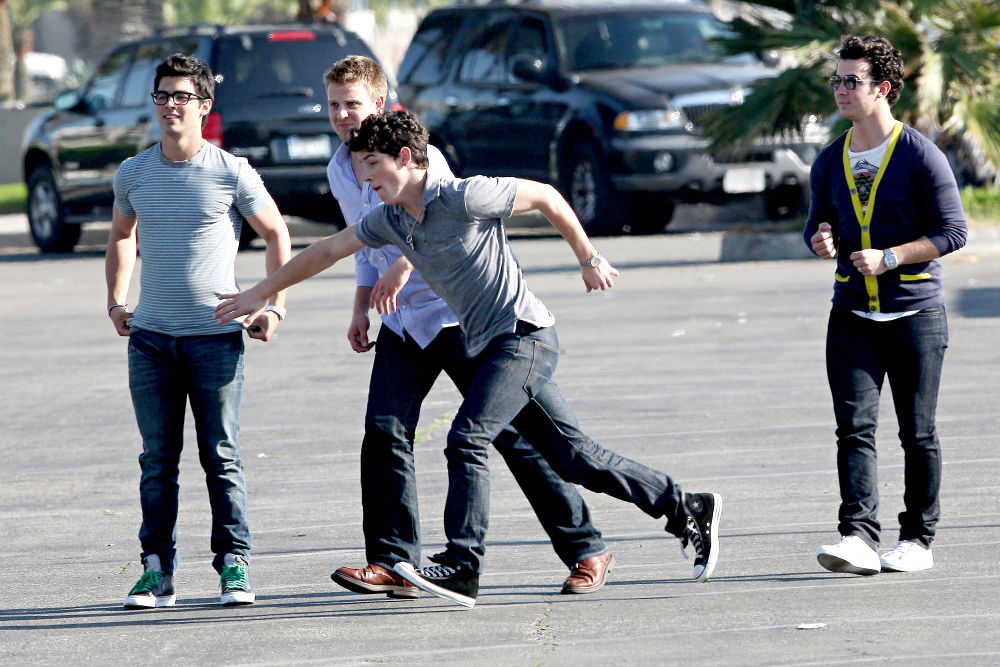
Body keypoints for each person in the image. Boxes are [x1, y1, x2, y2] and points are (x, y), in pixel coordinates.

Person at [215, 110, 722, 608]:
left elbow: (545, 195)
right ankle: (686, 507)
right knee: (574, 457)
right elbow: (326, 251)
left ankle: (463, 565)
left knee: (467, 439)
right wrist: (262, 290)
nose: (364, 179)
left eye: (372, 164)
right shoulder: (390, 219)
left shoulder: (465, 195)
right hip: (492, 347)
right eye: (360, 166)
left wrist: (588, 259)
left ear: (406, 158)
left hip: (523, 337)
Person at [322, 56, 614, 600]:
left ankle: (585, 547)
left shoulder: (422, 156)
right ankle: (393, 562)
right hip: (402, 324)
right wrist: (361, 306)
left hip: (456, 315)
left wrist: (400, 267)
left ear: (379, 105)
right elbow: (359, 244)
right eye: (334, 104)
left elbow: (439, 229)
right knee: (384, 432)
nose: (342, 114)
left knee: (513, 437)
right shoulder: (342, 168)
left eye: (353, 104)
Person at [105, 53, 292, 608]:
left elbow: (278, 236)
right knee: (157, 459)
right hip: (151, 342)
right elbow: (121, 235)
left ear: (204, 106)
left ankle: (234, 564)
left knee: (221, 455)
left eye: (181, 96)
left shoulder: (230, 171)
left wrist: (271, 306)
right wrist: (116, 300)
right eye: (162, 96)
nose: (169, 105)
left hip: (215, 340)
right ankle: (155, 569)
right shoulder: (133, 173)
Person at [805, 35, 967, 576]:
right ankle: (856, 536)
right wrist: (821, 239)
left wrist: (892, 256)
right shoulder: (830, 159)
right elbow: (817, 223)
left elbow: (953, 232)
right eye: (837, 80)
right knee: (853, 428)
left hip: (916, 314)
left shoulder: (921, 154)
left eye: (852, 81)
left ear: (885, 89)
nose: (841, 90)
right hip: (851, 313)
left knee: (916, 432)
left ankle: (918, 540)